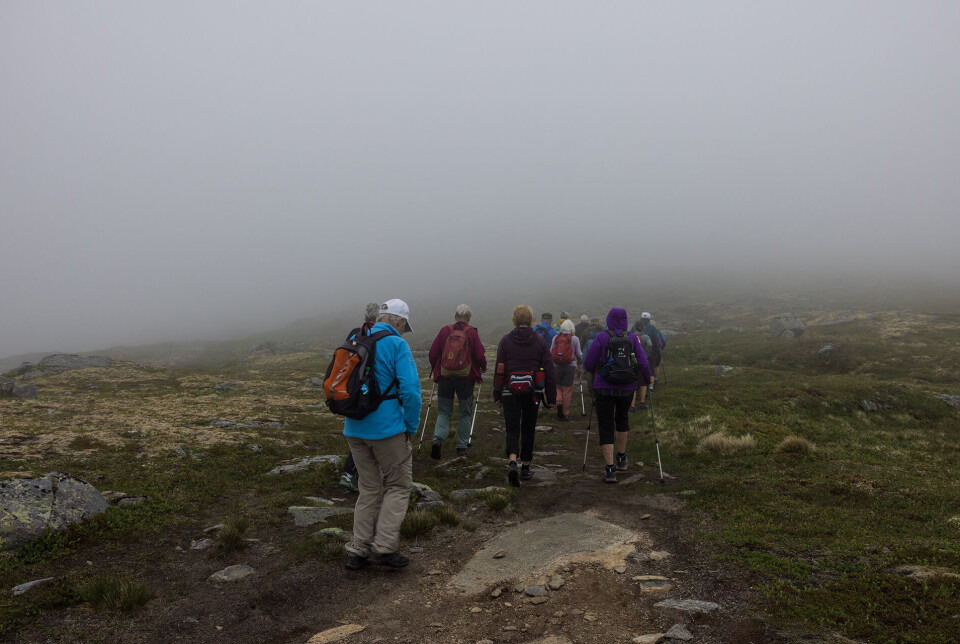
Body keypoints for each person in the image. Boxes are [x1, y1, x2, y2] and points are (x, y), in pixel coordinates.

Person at [343, 299, 421, 570]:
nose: (404, 330)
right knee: (399, 485)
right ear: (399, 321)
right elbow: (411, 391)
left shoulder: (356, 338)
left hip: (354, 427)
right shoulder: (397, 344)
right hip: (387, 430)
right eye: (404, 325)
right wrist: (411, 427)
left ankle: (359, 548)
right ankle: (384, 547)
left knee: (368, 487)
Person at [583, 307, 652, 484]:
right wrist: (647, 377)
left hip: (604, 388)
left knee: (605, 425)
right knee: (622, 419)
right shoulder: (632, 338)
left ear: (609, 319)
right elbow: (643, 361)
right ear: (625, 320)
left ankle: (610, 468)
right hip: (627, 387)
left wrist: (598, 372)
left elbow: (589, 364)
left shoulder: (601, 337)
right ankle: (621, 457)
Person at [493, 305, 557, 487]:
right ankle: (526, 467)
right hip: (533, 392)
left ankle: (512, 461)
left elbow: (499, 368)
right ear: (531, 320)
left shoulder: (505, 341)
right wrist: (551, 398)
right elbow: (550, 371)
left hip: (508, 391)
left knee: (512, 427)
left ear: (514, 320)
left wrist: (497, 393)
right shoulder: (539, 341)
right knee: (528, 427)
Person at [428, 304, 487, 459]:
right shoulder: (471, 333)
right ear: (468, 318)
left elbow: (433, 352)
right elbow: (480, 355)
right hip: (466, 378)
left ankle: (438, 440)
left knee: (444, 411)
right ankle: (461, 447)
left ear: (455, 317)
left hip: (445, 377)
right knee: (464, 413)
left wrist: (436, 369)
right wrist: (483, 367)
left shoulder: (444, 330)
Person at [339, 303, 381, 493]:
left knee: (358, 433)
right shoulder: (379, 335)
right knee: (371, 434)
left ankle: (349, 474)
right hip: (367, 389)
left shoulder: (355, 333)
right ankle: (355, 475)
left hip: (351, 388)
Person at [550, 319, 583, 421]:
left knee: (557, 387)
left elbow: (551, 351)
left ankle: (559, 402)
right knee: (567, 389)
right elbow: (579, 354)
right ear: (572, 328)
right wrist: (580, 360)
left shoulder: (556, 337)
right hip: (570, 366)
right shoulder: (575, 339)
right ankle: (565, 413)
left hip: (557, 366)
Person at [639, 312, 666, 387]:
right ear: (649, 319)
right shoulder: (653, 329)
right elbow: (659, 341)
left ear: (640, 318)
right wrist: (657, 351)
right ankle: (650, 387)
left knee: (639, 370)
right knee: (651, 369)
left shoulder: (634, 327)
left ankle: (638, 386)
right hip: (651, 354)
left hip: (637, 354)